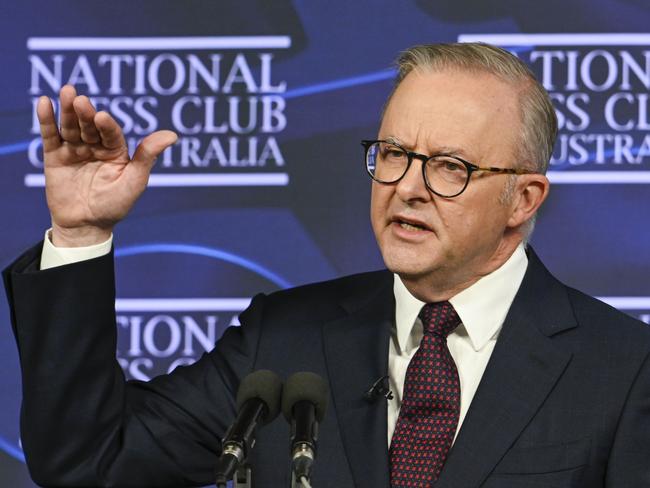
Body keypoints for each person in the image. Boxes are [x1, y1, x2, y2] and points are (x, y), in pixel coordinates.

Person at [4, 43, 650, 488]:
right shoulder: (284, 338)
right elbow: (90, 461)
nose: (408, 187)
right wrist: (82, 231)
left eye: (450, 166)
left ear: (524, 197)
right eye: (394, 153)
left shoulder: (622, 369)